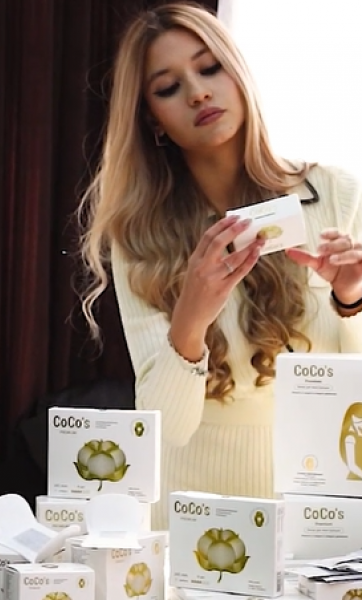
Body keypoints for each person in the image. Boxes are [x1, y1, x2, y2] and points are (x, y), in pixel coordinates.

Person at [76, 1, 362, 530]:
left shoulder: (335, 194)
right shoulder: (139, 236)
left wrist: (351, 299)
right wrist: (191, 319)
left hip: (314, 500)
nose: (198, 93)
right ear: (153, 120)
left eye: (209, 68)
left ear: (239, 74)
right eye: (168, 87)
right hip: (190, 510)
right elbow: (168, 426)